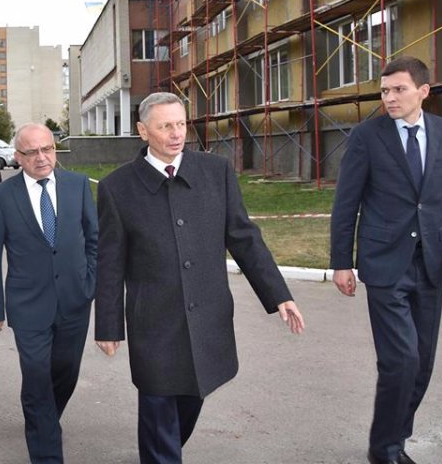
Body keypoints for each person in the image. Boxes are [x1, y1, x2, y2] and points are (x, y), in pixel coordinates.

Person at [94, 91, 305, 463]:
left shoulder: (215, 171)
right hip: (154, 325)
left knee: (188, 404)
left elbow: (243, 237)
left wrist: (278, 294)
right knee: (159, 413)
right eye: (165, 126)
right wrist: (109, 326)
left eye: (181, 124)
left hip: (207, 317)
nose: (177, 134)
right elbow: (110, 264)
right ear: (143, 131)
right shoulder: (117, 187)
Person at [330, 56, 442, 464]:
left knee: (422, 365)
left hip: (431, 264)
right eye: (384, 91)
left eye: (399, 89)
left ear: (423, 91)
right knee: (401, 361)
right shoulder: (367, 137)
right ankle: (384, 450)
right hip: (384, 264)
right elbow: (346, 203)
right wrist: (341, 262)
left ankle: (394, 439)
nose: (390, 97)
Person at [0, 123, 97, 463]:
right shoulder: (0, 197)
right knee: (36, 376)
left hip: (75, 300)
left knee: (65, 372)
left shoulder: (77, 185)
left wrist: (90, 283)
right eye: (31, 152)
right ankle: (46, 449)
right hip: (28, 304)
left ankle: (42, 417)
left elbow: (94, 239)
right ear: (18, 157)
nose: (41, 157)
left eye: (47, 149)